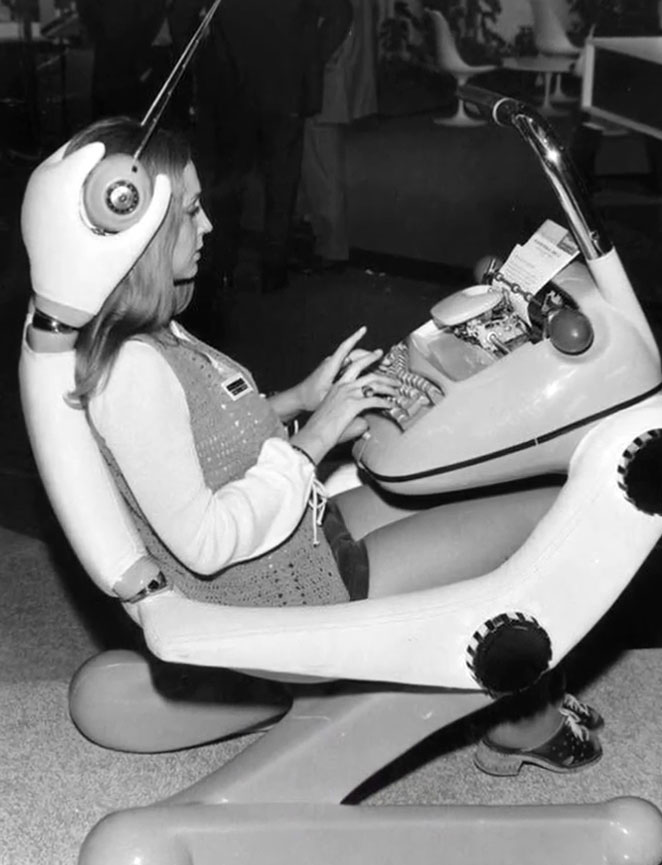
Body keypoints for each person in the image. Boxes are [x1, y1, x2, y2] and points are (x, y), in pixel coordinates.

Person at [22, 116, 603, 775]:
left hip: (298, 545)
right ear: (142, 239)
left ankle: (523, 696)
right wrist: (317, 437)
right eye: (189, 210)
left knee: (477, 489)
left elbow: (198, 443)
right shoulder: (133, 372)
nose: (208, 224)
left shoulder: (144, 335)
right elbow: (206, 542)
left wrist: (299, 400)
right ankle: (521, 725)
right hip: (282, 599)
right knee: (544, 518)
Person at [170, 0, 353, 295]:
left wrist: (200, 62)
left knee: (229, 183)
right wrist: (309, 59)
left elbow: (181, 15)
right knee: (281, 184)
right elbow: (340, 15)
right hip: (285, 86)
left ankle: (222, 268)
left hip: (230, 85)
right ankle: (273, 270)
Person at [297, 0, 378, 272]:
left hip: (322, 85)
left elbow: (338, 22)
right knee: (319, 169)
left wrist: (307, 63)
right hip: (327, 81)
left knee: (323, 172)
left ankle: (331, 249)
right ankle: (323, 241)